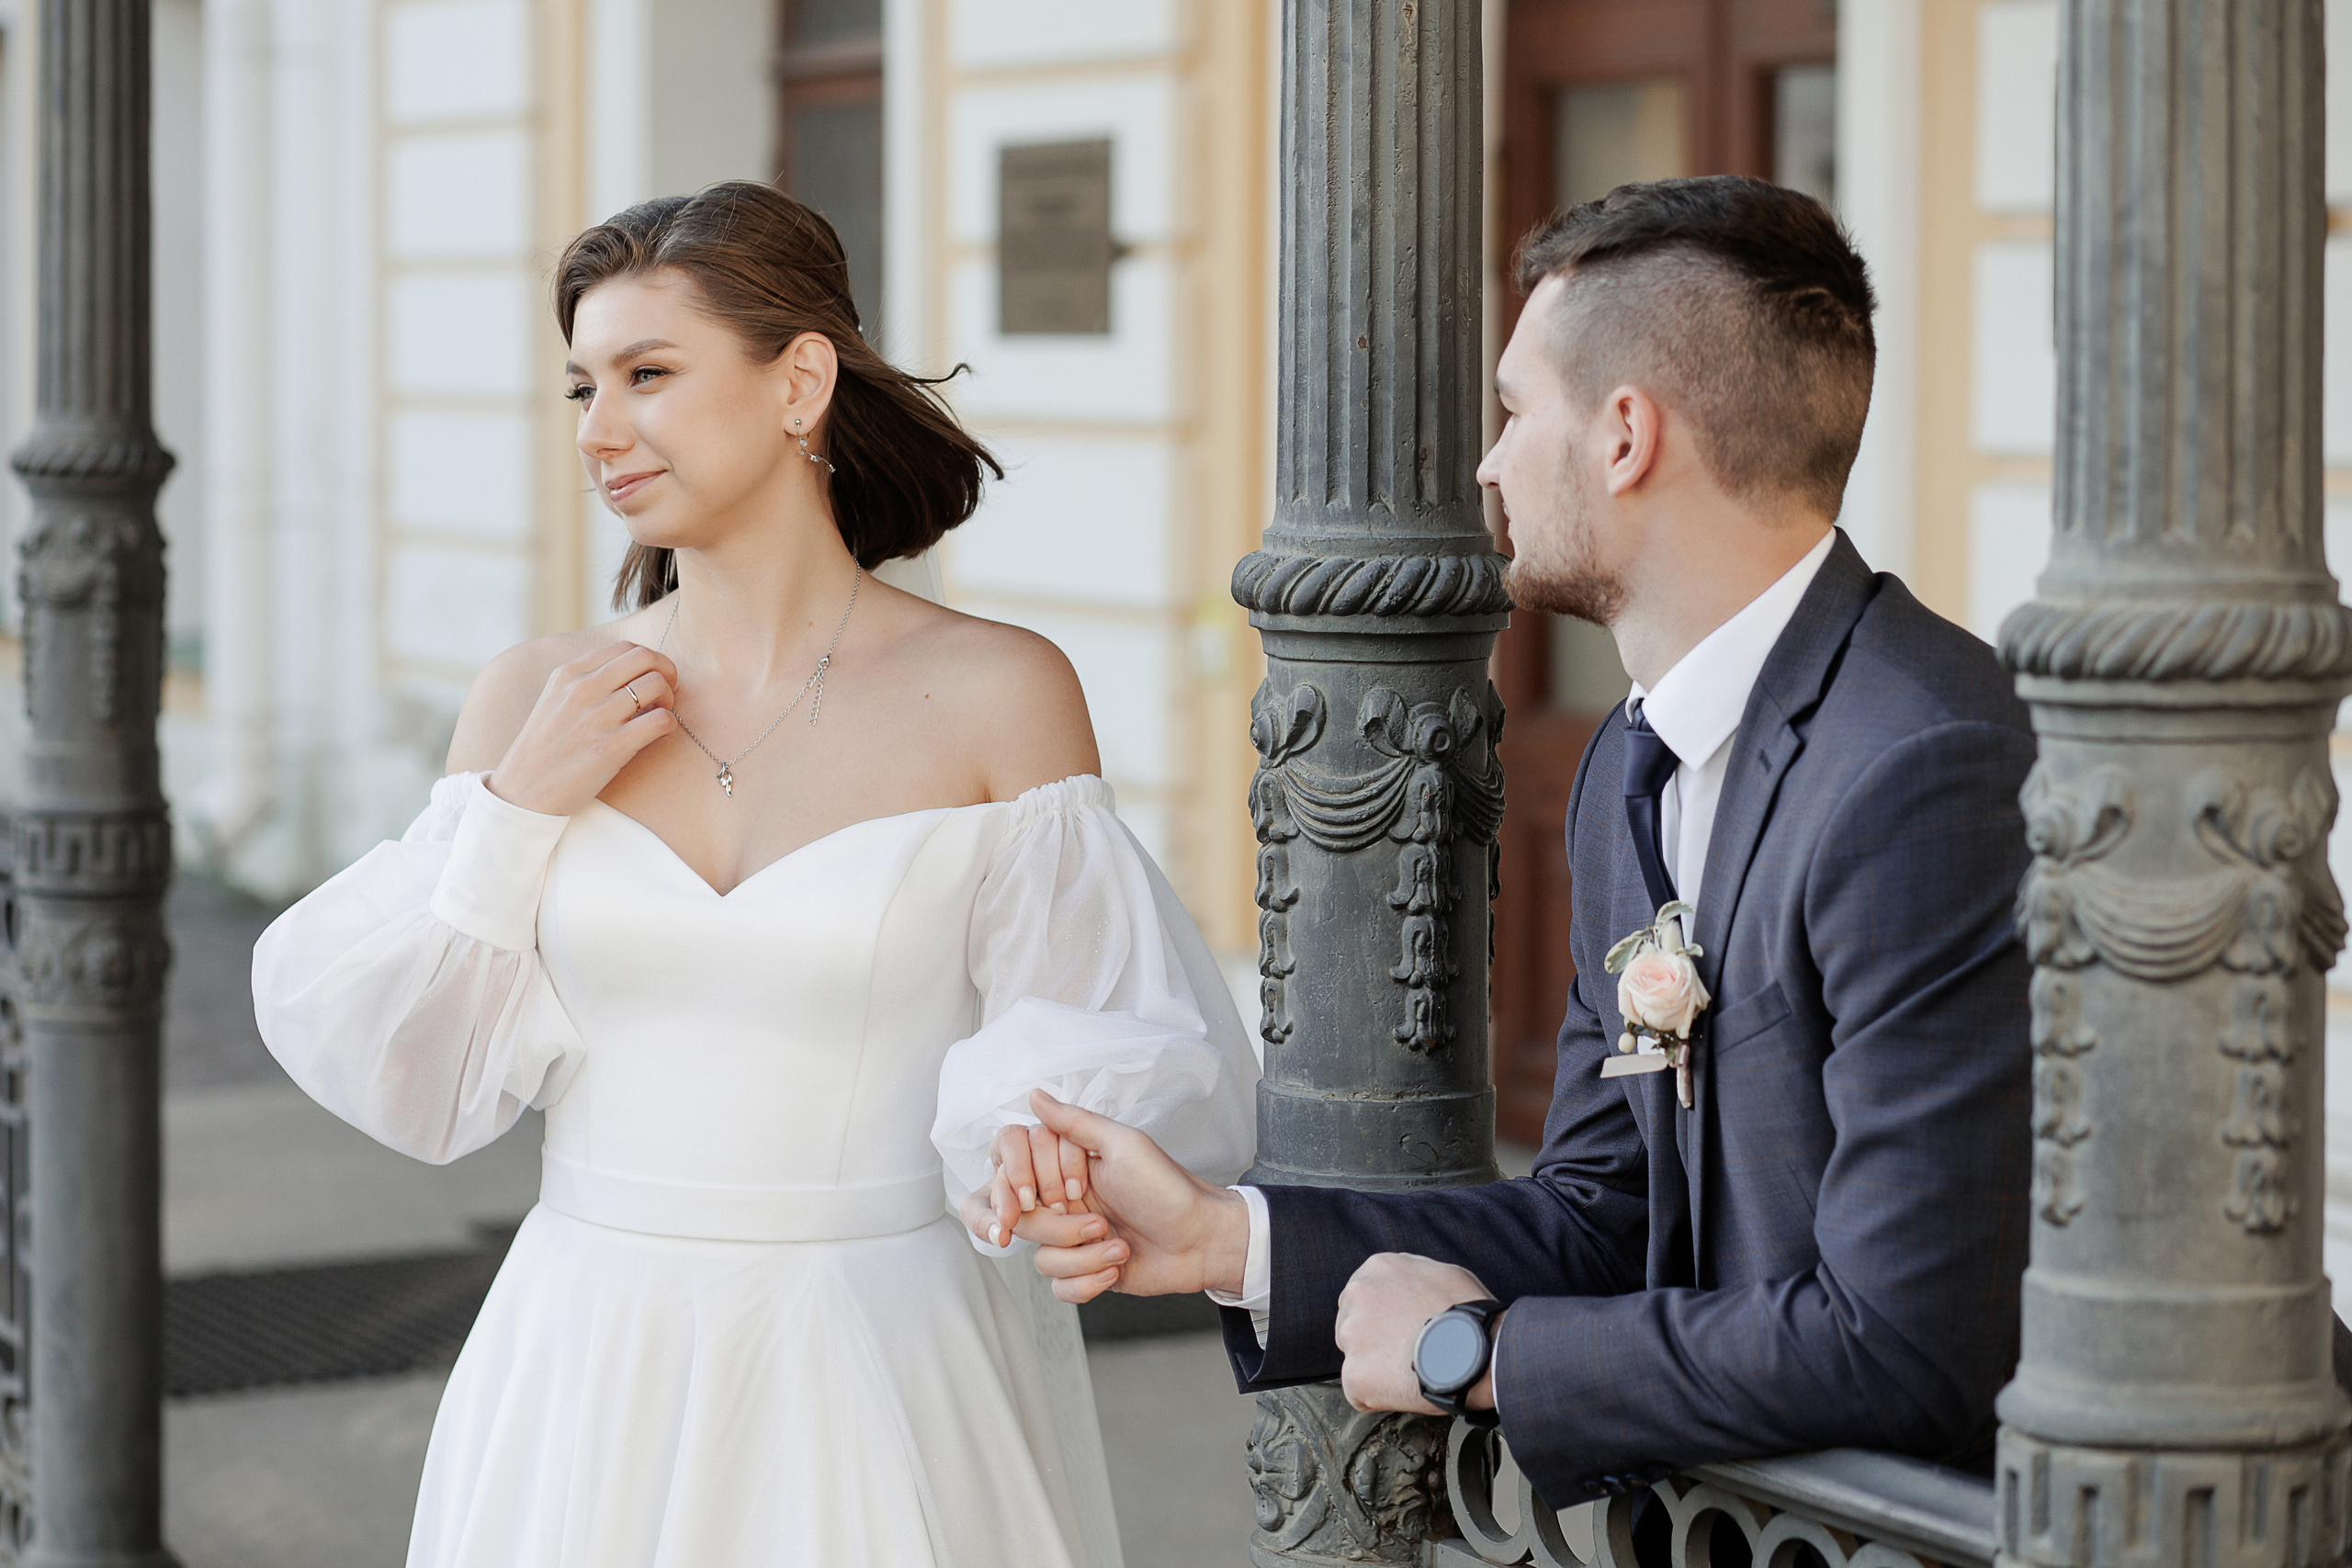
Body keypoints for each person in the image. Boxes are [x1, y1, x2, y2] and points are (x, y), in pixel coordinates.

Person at [250, 179, 1258, 1568]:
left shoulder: (996, 691)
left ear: (799, 383)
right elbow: (415, 1071)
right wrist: (522, 805)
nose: (601, 432)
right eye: (581, 388)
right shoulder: (536, 697)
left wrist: (1047, 1162)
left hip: (880, 1355)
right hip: (587, 1357)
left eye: (648, 375)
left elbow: (1089, 1032)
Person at [1005, 175, 2039, 1509]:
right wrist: (1225, 1238)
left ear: (1623, 436)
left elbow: (1906, 1343)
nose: (1487, 465)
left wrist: (1481, 1356)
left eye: (1511, 410)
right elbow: (1601, 1210)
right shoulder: (1630, 762)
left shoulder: (1925, 767)